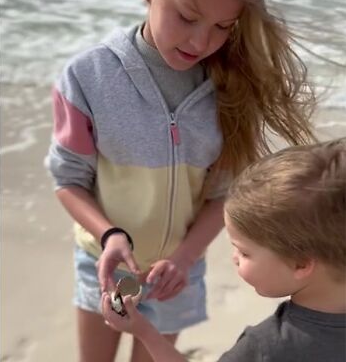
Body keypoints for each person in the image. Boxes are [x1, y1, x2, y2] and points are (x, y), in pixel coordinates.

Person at [44, 0, 317, 360]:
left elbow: (223, 194)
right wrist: (110, 236)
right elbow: (68, 181)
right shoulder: (88, 77)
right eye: (187, 18)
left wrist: (184, 259)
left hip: (175, 274)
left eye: (223, 27)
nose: (200, 43)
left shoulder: (232, 87)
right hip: (106, 263)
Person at [101, 138, 346, 362]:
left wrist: (144, 331)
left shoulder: (265, 348)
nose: (235, 258)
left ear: (301, 264)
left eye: (245, 252)